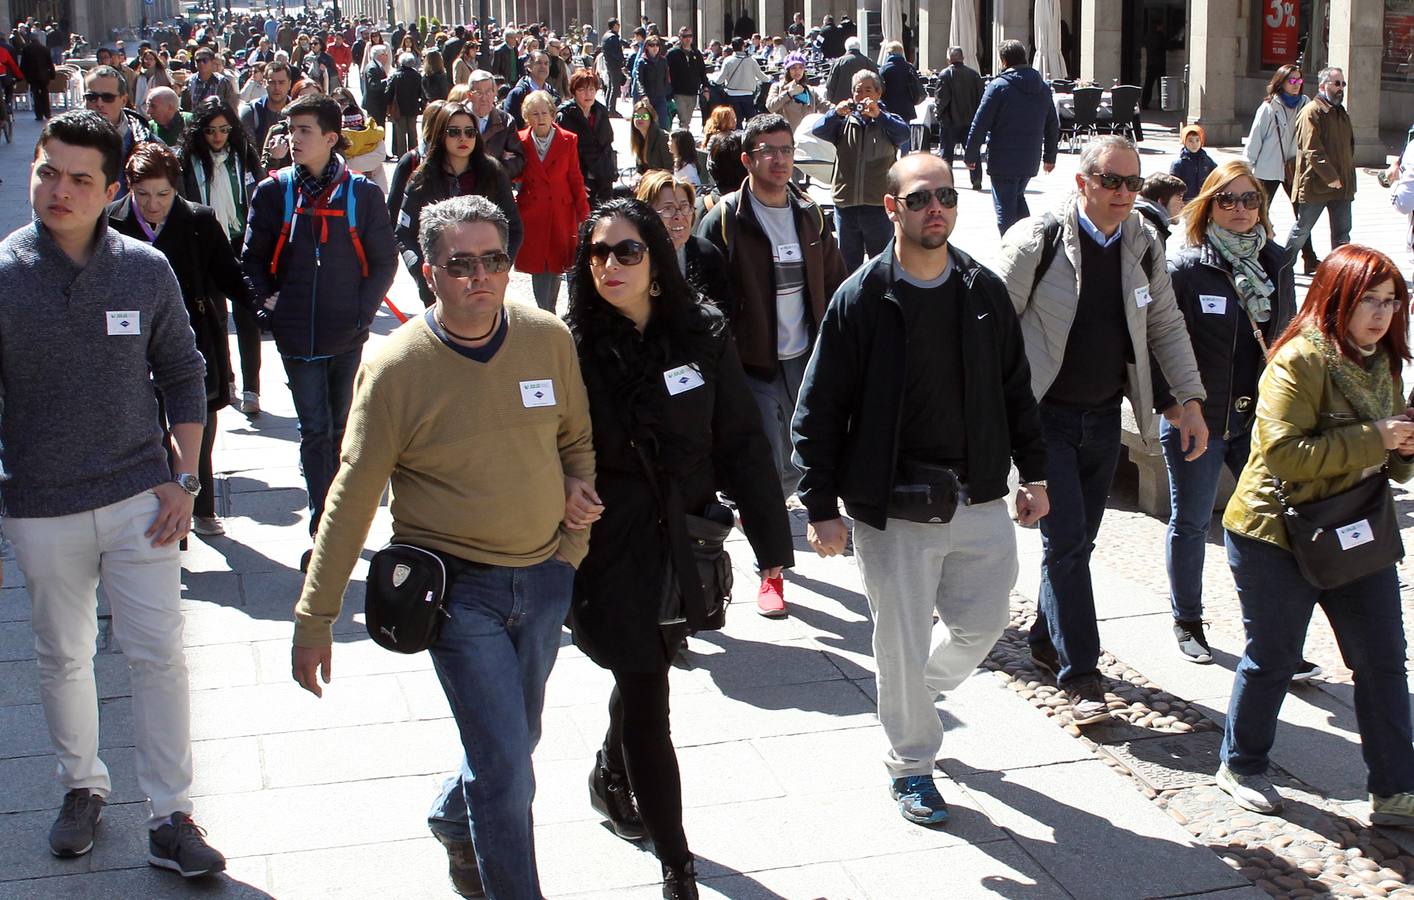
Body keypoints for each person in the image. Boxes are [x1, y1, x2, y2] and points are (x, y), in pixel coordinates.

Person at [291, 194, 595, 900]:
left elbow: (576, 441)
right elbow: (351, 495)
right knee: (508, 773)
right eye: (461, 264)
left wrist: (572, 531)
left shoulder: (548, 337)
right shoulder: (396, 369)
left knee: (515, 745)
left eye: (494, 260)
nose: (480, 277)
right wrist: (315, 617)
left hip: (545, 576)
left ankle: (451, 816)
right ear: (430, 272)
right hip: (458, 594)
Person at [0, 109, 225, 878]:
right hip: (41, 502)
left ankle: (172, 814)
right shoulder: (4, 275)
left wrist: (186, 480)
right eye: (46, 172)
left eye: (78, 179)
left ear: (109, 190)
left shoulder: (143, 267)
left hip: (141, 497)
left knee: (158, 654)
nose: (58, 190)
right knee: (62, 655)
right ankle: (80, 791)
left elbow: (184, 372)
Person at [793, 151, 1049, 825]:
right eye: (919, 199)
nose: (936, 208)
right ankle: (911, 763)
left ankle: (916, 691)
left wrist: (1035, 472)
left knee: (985, 621)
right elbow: (817, 410)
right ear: (891, 209)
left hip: (979, 494)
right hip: (895, 504)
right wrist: (821, 506)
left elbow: (1015, 390)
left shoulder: (982, 290)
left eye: (946, 196)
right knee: (899, 641)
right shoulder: (863, 298)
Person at [564, 197, 793, 900]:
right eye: (597, 253)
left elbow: (742, 443)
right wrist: (562, 484)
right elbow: (537, 442)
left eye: (627, 252)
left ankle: (610, 769)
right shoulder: (566, 344)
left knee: (648, 666)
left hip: (685, 533)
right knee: (647, 688)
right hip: (609, 539)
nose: (610, 265)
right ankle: (678, 866)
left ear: (656, 266)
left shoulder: (703, 334)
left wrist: (771, 546)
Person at [998, 135, 1206, 725]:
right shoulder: (1035, 240)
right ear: (1082, 181)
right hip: (1044, 419)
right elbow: (991, 328)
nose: (1122, 193)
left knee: (1079, 542)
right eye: (1110, 181)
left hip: (1103, 418)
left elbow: (1164, 322)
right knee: (1065, 545)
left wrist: (1187, 399)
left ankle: (1046, 635)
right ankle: (1083, 677)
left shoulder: (1142, 243)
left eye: (1132, 183)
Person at [1215, 244, 1414, 827]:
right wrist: (1378, 437)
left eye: (1391, 301)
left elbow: (1390, 459)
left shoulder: (1385, 362)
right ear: (1336, 299)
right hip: (1276, 532)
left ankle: (1396, 790)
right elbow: (1282, 455)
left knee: (1383, 660)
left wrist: (1403, 445)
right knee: (1274, 656)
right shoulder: (1298, 359)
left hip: (1356, 526)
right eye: (1367, 301)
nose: (1381, 314)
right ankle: (1242, 763)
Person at [698, 113, 847, 617]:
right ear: (747, 159)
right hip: (752, 363)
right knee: (764, 467)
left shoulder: (811, 215)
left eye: (786, 149)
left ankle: (760, 511)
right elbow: (704, 295)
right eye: (769, 151)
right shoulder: (725, 219)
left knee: (793, 466)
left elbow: (835, 281)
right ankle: (771, 573)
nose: (780, 159)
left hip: (804, 358)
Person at [240, 94, 398, 567]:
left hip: (345, 333)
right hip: (296, 337)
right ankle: (322, 527)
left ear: (331, 138)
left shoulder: (362, 196)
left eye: (304, 131)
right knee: (314, 430)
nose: (294, 140)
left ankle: (342, 517)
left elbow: (384, 261)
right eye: (291, 131)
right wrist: (270, 309)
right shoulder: (273, 193)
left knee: (343, 431)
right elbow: (251, 259)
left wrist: (362, 315)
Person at [1157, 160, 1296, 664]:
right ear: (1209, 205)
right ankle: (1187, 620)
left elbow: (1290, 343)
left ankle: (1276, 634)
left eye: (1250, 199)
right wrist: (1175, 405)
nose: (1240, 210)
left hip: (1259, 419)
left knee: (1274, 522)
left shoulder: (1277, 262)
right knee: (1192, 521)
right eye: (1228, 199)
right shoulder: (1188, 267)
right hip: (1199, 417)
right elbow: (1161, 345)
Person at [110, 141, 257, 537]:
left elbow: (229, 274)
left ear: (176, 189)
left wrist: (264, 307)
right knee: (146, 432)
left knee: (196, 426)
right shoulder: (110, 222)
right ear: (128, 188)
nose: (153, 205)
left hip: (190, 338)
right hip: (128, 344)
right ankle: (150, 513)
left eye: (162, 194)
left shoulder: (198, 220)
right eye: (142, 195)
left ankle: (202, 506)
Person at [180, 99, 265, 417]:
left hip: (242, 242)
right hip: (206, 245)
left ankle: (251, 388)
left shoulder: (243, 154)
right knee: (215, 318)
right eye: (211, 130)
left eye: (224, 130)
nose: (218, 137)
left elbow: (258, 194)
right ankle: (226, 381)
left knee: (247, 317)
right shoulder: (188, 160)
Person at [395, 100, 522, 307]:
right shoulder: (421, 178)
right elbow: (404, 233)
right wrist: (422, 273)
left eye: (469, 132)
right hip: (439, 288)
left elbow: (514, 228)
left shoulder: (493, 174)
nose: (463, 138)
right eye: (454, 132)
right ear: (441, 135)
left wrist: (499, 267)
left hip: (485, 283)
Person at [812, 70, 911, 271]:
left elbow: (904, 134)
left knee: (881, 264)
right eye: (858, 91)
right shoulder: (843, 121)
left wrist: (880, 116)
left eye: (868, 90)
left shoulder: (888, 120)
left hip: (877, 205)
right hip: (846, 204)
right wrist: (835, 113)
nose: (862, 95)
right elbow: (818, 130)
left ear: (878, 93)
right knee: (848, 265)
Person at [964, 39, 1059, 236]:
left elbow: (980, 123)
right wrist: (1050, 156)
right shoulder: (1042, 87)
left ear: (1004, 61)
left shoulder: (998, 86)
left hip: (1003, 158)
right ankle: (1031, 240)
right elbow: (1052, 124)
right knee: (1017, 198)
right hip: (1029, 157)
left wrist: (971, 154)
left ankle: (1012, 248)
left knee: (1005, 208)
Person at [514, 90, 589, 312]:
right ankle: (544, 312)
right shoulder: (520, 140)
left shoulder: (568, 139)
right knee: (540, 266)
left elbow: (575, 177)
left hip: (560, 212)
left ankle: (552, 311)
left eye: (544, 112)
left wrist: (584, 212)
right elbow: (517, 174)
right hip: (534, 213)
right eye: (535, 114)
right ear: (527, 117)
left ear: (553, 114)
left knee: (558, 264)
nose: (541, 118)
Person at [1244, 64, 1319, 274]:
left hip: (1293, 167)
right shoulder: (1268, 107)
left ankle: (1309, 258)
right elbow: (1254, 141)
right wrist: (1245, 171)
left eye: (1299, 81)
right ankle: (1255, 253)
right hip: (1268, 169)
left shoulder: (1306, 104)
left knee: (1302, 214)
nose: (1296, 85)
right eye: (1291, 81)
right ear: (1281, 82)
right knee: (1259, 213)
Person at [1284, 67, 1355, 272]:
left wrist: (1346, 177)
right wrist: (1331, 177)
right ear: (1323, 86)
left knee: (1343, 234)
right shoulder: (1311, 112)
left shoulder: (1341, 113)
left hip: (1342, 186)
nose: (1340, 88)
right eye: (1336, 84)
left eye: (1342, 84)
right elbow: (1312, 149)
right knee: (1302, 230)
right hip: (1317, 184)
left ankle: (1341, 273)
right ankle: (1282, 268)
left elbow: (1348, 147)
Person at [637, 170, 735, 318]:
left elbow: (726, 313)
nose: (679, 216)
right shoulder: (634, 258)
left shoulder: (707, 254)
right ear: (647, 214)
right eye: (668, 209)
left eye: (685, 207)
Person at [83, 65, 154, 197]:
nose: (99, 103)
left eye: (108, 97)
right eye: (92, 97)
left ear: (123, 100)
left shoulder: (147, 142)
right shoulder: (65, 140)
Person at [557, 67, 616, 204]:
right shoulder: (565, 115)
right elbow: (562, 153)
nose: (587, 94)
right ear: (574, 92)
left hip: (601, 175)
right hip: (579, 174)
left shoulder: (601, 111)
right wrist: (575, 182)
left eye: (591, 89)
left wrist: (609, 172)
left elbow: (607, 142)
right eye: (582, 90)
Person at [933, 46, 984, 191]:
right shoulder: (974, 75)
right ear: (963, 58)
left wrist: (939, 115)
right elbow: (981, 98)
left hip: (950, 121)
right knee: (972, 151)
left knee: (947, 153)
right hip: (970, 120)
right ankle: (976, 179)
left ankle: (946, 182)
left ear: (949, 59)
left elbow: (941, 99)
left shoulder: (945, 74)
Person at [466, 69, 527, 180]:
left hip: (494, 187)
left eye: (488, 92)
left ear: (495, 93)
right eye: (479, 93)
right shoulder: (455, 117)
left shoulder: (506, 121)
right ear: (469, 95)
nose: (484, 98)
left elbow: (517, 160)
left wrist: (495, 172)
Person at [765, 53, 827, 133]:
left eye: (800, 67)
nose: (797, 71)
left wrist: (839, 109)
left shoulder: (809, 90)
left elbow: (824, 105)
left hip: (805, 136)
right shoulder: (777, 87)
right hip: (785, 135)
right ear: (788, 70)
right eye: (793, 68)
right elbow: (770, 107)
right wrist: (789, 94)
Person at [714, 37, 769, 125]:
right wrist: (770, 78)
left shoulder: (728, 61)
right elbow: (762, 77)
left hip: (732, 95)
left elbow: (720, 80)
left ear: (732, 47)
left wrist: (713, 80)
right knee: (751, 122)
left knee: (736, 122)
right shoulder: (751, 61)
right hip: (748, 95)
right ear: (743, 46)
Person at [242, 59, 293, 151]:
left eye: (281, 82)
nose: (277, 87)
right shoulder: (252, 111)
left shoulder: (297, 112)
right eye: (272, 82)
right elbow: (248, 150)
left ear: (289, 84)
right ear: (265, 83)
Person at [666, 26, 708, 131]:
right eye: (685, 36)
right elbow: (666, 71)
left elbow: (702, 71)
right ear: (680, 37)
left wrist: (705, 88)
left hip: (693, 92)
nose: (688, 39)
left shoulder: (696, 53)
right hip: (678, 92)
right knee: (684, 120)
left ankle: (681, 137)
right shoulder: (672, 53)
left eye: (690, 36)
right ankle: (682, 141)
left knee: (687, 120)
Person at [386, 51, 426, 157]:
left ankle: (403, 157)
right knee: (413, 133)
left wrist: (388, 106)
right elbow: (421, 92)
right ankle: (415, 155)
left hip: (399, 109)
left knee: (401, 134)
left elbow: (388, 92)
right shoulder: (417, 75)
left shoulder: (396, 75)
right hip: (413, 108)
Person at [504, 49, 558, 128]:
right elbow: (509, 125)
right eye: (538, 63)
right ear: (529, 67)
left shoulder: (553, 94)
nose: (543, 66)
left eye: (546, 63)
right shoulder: (517, 94)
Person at [877, 40, 922, 125]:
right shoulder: (910, 67)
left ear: (889, 53)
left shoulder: (885, 69)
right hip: (907, 107)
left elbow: (880, 88)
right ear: (901, 52)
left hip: (889, 107)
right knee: (906, 133)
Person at [1135, 171, 1187, 243]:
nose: (1182, 205)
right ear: (1162, 201)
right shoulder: (1148, 232)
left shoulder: (1142, 222)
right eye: (1179, 198)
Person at [630, 35, 671, 127]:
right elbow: (639, 81)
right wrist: (643, 95)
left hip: (660, 97)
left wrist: (666, 91)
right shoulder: (642, 61)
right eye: (652, 45)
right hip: (647, 98)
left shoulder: (663, 61)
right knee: (646, 125)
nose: (655, 47)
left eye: (657, 45)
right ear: (647, 47)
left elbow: (666, 78)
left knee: (663, 124)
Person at [1170, 124, 1217, 201]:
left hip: (1203, 198)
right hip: (1186, 199)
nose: (1194, 144)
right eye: (1190, 140)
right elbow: (1173, 184)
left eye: (1197, 140)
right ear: (1184, 142)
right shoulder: (1179, 163)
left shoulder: (1207, 161)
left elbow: (1216, 175)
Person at [824, 36, 875, 104]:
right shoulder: (868, 62)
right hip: (864, 102)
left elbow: (830, 85)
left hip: (842, 104)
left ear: (846, 47)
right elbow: (877, 83)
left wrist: (830, 102)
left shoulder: (838, 62)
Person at [630, 98, 673, 174]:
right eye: (637, 116)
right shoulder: (638, 139)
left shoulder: (663, 138)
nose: (640, 119)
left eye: (644, 116)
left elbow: (670, 170)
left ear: (651, 118)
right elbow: (640, 169)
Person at [1141, 20, 1168, 110]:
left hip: (1151, 63)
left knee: (1148, 84)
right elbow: (1166, 46)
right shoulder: (1160, 37)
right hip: (1159, 63)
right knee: (1161, 86)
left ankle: (1144, 103)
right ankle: (1162, 104)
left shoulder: (1148, 36)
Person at [601, 18, 626, 114]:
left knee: (611, 87)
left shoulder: (606, 36)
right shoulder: (612, 37)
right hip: (614, 65)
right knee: (615, 88)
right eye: (618, 24)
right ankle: (611, 109)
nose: (619, 26)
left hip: (609, 65)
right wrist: (622, 62)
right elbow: (616, 53)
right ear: (614, 25)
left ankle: (608, 108)